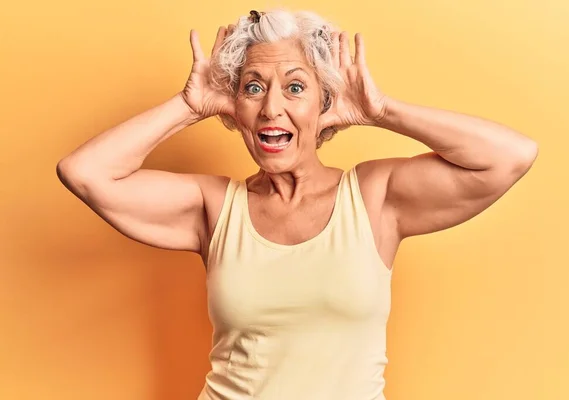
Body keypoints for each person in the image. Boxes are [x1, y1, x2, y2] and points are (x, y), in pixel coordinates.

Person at [56, 8, 538, 400]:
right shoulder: (214, 208)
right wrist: (189, 105)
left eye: (294, 86)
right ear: (235, 107)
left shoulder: (375, 198)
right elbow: (85, 172)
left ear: (325, 101)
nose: (270, 108)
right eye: (252, 86)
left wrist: (383, 111)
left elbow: (510, 156)